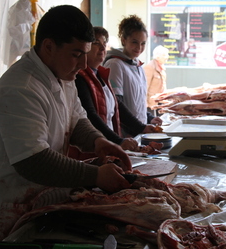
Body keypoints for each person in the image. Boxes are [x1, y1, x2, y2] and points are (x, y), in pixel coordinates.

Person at [0, 5, 133, 241]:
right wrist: (96, 176)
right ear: (49, 47)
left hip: (45, 197)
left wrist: (99, 141)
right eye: (76, 54)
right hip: (14, 202)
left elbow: (77, 119)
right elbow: (32, 160)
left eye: (86, 53)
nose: (84, 64)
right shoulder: (20, 88)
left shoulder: (64, 76)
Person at [71, 26, 157, 159]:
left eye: (104, 44)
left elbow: (117, 106)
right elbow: (91, 116)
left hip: (108, 145)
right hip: (91, 151)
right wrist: (118, 140)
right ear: (85, 48)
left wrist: (141, 127)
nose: (102, 48)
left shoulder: (100, 74)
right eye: (96, 43)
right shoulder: (80, 78)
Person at [103, 14, 162, 126]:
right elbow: (116, 104)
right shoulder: (115, 64)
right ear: (124, 40)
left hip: (139, 131)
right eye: (134, 42)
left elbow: (138, 104)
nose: (139, 47)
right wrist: (138, 127)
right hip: (125, 134)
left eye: (143, 43)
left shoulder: (138, 66)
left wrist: (149, 118)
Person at [143, 45, 169, 115]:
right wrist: (145, 103)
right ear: (157, 56)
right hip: (151, 103)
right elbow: (145, 86)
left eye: (167, 54)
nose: (167, 57)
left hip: (161, 101)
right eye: (164, 55)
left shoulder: (162, 68)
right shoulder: (149, 67)